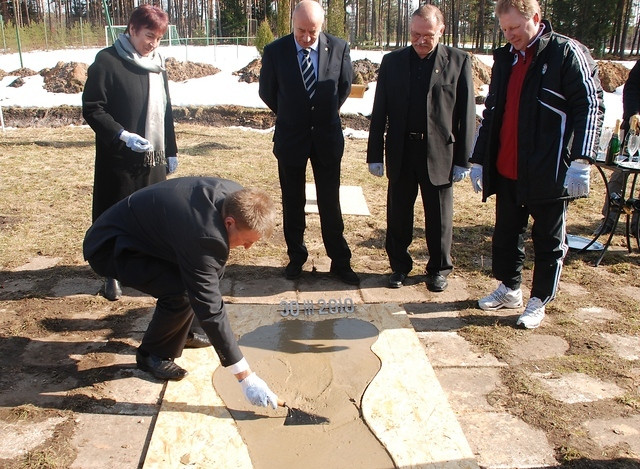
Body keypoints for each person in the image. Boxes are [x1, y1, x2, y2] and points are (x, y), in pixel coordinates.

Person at [83, 177, 279, 409]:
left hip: (151, 236)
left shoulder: (236, 197)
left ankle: (184, 331)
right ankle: (152, 354)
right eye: (247, 241)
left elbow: (210, 275)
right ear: (229, 222)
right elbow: (210, 308)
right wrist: (245, 377)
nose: (247, 248)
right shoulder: (206, 236)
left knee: (204, 276)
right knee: (181, 291)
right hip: (113, 247)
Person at [469, 0, 604, 329]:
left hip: (550, 169)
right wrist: (479, 160)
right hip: (508, 167)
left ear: (536, 19)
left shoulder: (565, 54)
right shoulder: (505, 59)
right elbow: (493, 112)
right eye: (504, 29)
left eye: (515, 27)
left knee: (548, 240)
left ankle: (539, 298)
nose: (510, 35)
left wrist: (582, 160)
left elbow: (590, 105)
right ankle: (510, 288)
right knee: (505, 235)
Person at [366, 4, 476, 292]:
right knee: (398, 214)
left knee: (439, 217)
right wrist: (375, 154)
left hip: (440, 153)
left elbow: (466, 114)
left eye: (427, 35)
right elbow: (380, 111)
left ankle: (439, 269)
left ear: (441, 30)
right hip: (402, 151)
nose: (420, 40)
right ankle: (399, 266)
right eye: (415, 34)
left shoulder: (459, 61)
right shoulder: (393, 62)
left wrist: (464, 159)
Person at [258, 0, 359, 285]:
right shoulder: (276, 51)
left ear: (321, 26)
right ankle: (296, 257)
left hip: (326, 137)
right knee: (293, 200)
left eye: (312, 32)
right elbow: (267, 91)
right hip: (291, 137)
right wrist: (293, 113)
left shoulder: (339, 48)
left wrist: (321, 113)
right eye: (301, 30)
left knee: (330, 201)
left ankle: (340, 260)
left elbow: (343, 88)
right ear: (293, 23)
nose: (306, 38)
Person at [82, 4, 179, 302]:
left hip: (153, 158)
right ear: (132, 29)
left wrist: (171, 150)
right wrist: (122, 135)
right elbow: (92, 107)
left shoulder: (157, 63)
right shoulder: (107, 62)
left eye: (159, 38)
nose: (153, 44)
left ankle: (145, 268)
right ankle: (112, 275)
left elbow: (165, 111)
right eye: (149, 36)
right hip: (120, 159)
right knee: (116, 213)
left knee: (151, 213)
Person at [597, 59, 640, 235]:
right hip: (634, 128)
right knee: (620, 171)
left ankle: (637, 226)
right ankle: (609, 219)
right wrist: (634, 113)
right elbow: (632, 88)